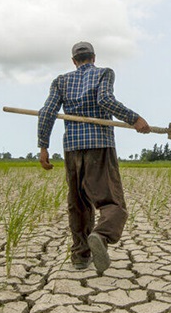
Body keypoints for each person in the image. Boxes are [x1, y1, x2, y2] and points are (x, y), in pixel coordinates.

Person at [37, 41, 150, 274]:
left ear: (73, 61)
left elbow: (47, 112)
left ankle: (80, 256)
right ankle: (101, 235)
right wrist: (134, 118)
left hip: (72, 148)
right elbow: (105, 100)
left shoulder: (61, 81)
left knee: (78, 203)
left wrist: (43, 147)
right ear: (94, 57)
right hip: (99, 145)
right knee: (111, 201)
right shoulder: (104, 73)